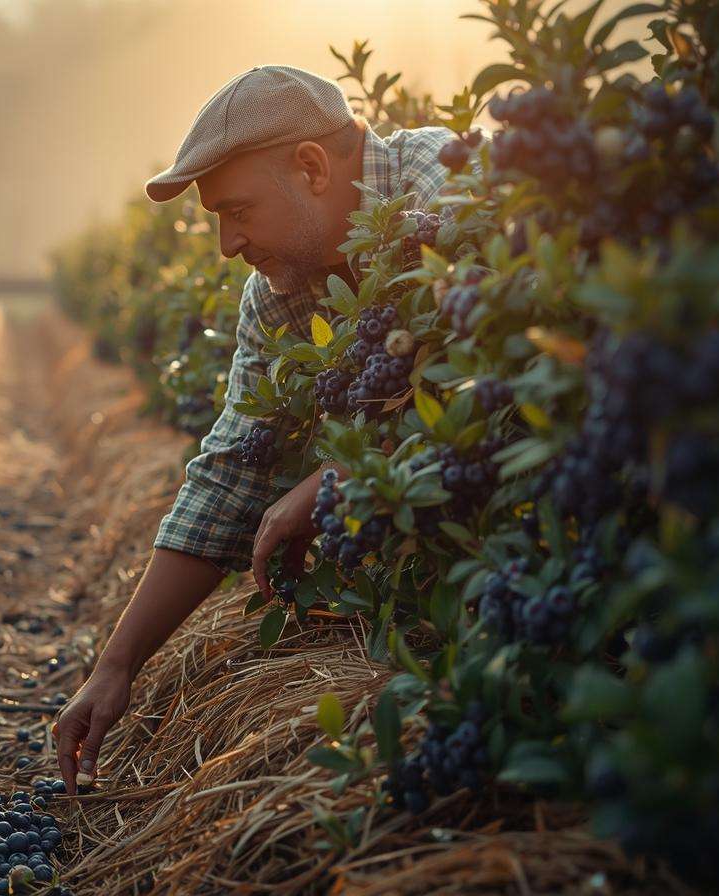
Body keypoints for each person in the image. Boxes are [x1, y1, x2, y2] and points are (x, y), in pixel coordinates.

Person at [54, 64, 460, 794]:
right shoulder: (279, 294)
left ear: (310, 168)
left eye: (236, 211)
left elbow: (483, 391)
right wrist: (115, 667)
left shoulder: (446, 195)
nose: (226, 244)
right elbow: (234, 469)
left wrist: (338, 477)